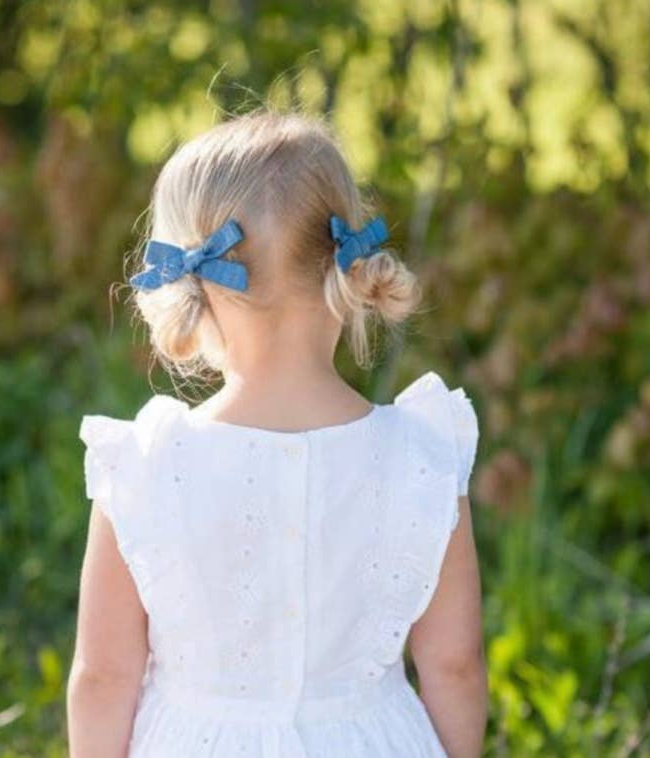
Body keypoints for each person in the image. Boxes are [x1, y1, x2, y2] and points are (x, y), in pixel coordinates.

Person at [67, 108, 487, 757]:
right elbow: (454, 665)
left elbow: (103, 677)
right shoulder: (421, 456)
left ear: (195, 284)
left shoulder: (148, 464)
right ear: (345, 269)